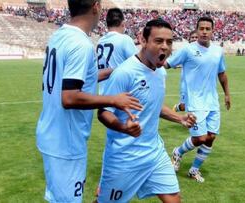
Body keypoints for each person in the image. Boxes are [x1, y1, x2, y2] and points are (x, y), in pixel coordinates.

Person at [35, 0, 142, 202]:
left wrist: (114, 71)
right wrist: (114, 99)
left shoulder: (59, 36)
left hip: (50, 133)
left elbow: (81, 78)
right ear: (95, 6)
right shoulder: (81, 44)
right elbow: (69, 97)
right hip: (66, 141)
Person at [96, 19, 196, 203]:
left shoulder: (160, 73)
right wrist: (124, 128)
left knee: (174, 199)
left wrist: (179, 118)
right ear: (143, 40)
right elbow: (103, 112)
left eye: (169, 42)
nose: (165, 47)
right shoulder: (124, 73)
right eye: (158, 41)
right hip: (124, 157)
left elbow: (152, 105)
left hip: (154, 153)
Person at [165, 16, 231, 183]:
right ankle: (178, 152)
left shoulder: (217, 51)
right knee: (200, 138)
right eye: (201, 28)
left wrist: (227, 94)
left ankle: (194, 170)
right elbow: (167, 64)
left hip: (212, 101)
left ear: (212, 31)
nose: (204, 32)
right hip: (194, 101)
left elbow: (221, 74)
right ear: (197, 30)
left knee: (210, 137)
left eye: (207, 29)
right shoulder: (188, 50)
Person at [97, 7, 138, 94]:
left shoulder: (100, 41)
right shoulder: (125, 39)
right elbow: (138, 64)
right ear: (123, 23)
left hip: (103, 95)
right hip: (119, 96)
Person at [172, 30, 198, 112]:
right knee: (184, 106)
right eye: (192, 37)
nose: (194, 39)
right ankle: (177, 107)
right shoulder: (185, 50)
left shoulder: (204, 51)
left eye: (196, 37)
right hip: (186, 84)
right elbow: (172, 62)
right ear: (189, 39)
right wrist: (177, 64)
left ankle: (195, 123)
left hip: (199, 84)